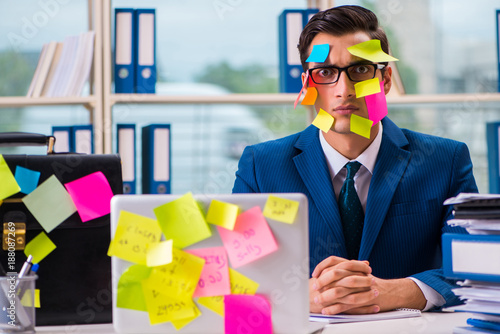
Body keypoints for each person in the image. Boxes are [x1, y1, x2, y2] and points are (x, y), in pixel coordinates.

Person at [232, 5, 478, 315]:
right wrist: (295, 294)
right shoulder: (261, 165)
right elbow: (234, 274)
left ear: (385, 79)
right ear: (308, 84)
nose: (343, 90)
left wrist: (393, 291)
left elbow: (474, 264)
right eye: (325, 72)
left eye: (360, 69)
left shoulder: (446, 159)